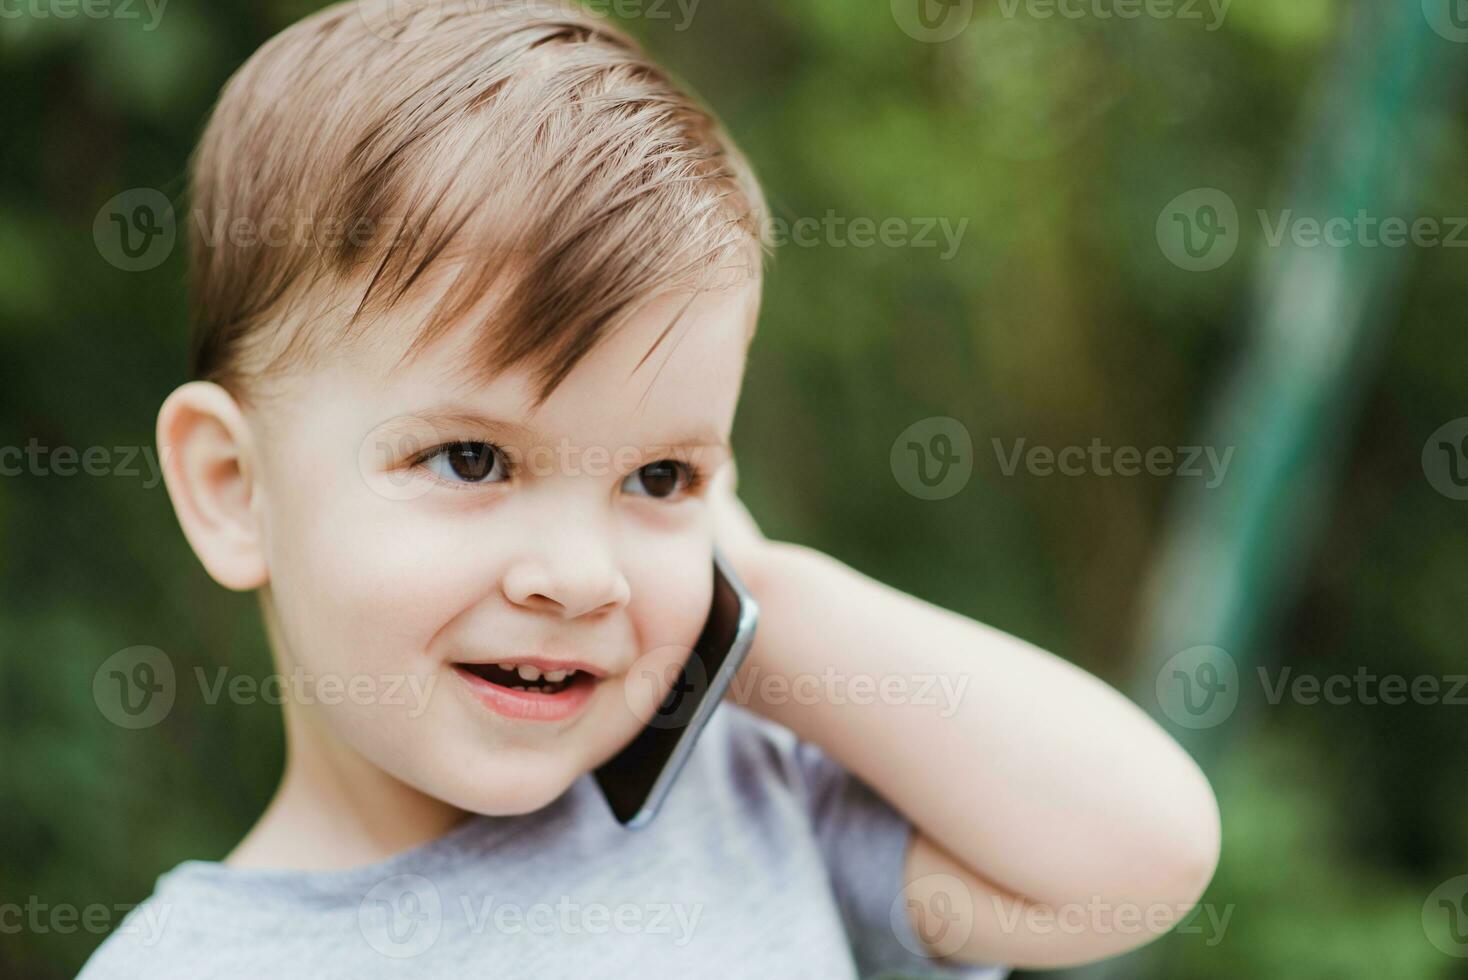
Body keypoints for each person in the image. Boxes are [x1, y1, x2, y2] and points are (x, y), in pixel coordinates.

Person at [78, 1, 1219, 975]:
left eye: (659, 475)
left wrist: (751, 602)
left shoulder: (746, 795)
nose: (581, 575)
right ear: (234, 487)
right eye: (472, 459)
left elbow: (1139, 855)